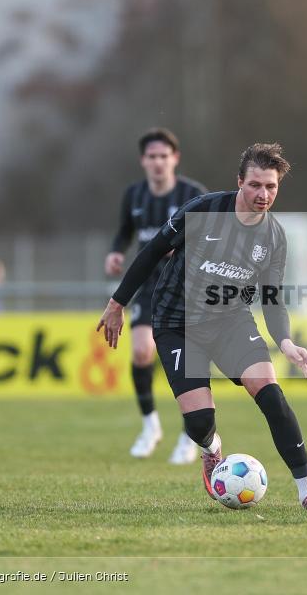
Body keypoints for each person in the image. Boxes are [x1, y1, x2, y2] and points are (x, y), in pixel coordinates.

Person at [97, 142, 307, 511]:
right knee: (199, 422)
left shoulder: (274, 237)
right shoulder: (203, 211)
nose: (263, 194)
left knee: (272, 397)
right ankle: (211, 450)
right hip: (177, 323)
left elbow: (272, 297)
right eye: (255, 185)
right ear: (239, 181)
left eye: (271, 187)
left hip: (230, 322)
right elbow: (150, 254)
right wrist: (118, 303)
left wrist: (285, 341)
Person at [105, 128, 208, 464]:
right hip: (149, 287)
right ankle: (150, 426)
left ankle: (190, 436)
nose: (158, 162)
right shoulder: (133, 196)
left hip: (187, 287)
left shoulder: (194, 194)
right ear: (143, 161)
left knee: (188, 362)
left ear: (175, 158)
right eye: (152, 157)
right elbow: (125, 232)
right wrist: (116, 252)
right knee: (140, 351)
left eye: (164, 156)